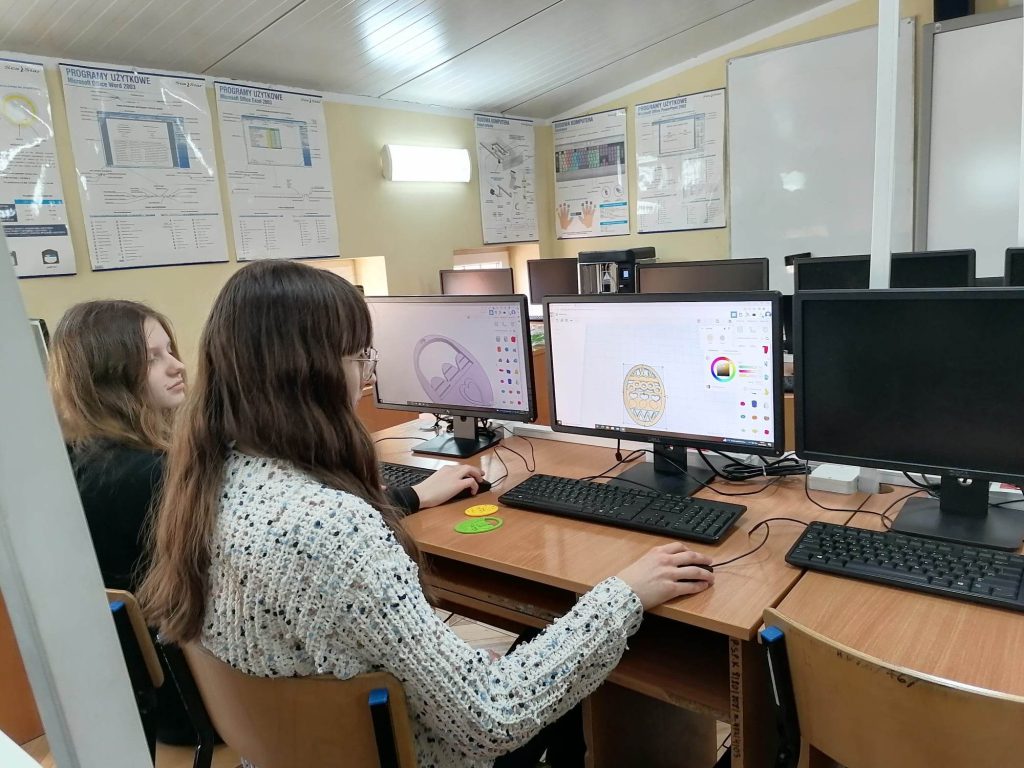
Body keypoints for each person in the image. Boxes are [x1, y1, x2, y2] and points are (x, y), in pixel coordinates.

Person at [140, 260, 713, 767]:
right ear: (309, 373)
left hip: (286, 752)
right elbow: (494, 717)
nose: (365, 376)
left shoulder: (210, 482)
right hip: (420, 753)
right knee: (575, 651)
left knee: (542, 639)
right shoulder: (331, 529)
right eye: (357, 357)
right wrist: (623, 595)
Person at [48, 299, 197, 744]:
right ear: (109, 376)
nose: (178, 366)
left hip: (133, 701)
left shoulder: (71, 464)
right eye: (153, 358)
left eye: (170, 351)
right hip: (197, 700)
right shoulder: (154, 475)